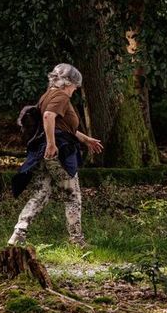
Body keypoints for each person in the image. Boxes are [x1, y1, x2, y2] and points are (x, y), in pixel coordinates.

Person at [8, 63, 104, 248]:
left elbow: (63, 126)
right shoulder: (60, 95)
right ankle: (77, 241)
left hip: (48, 151)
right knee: (72, 195)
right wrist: (52, 144)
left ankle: (18, 232)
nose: (75, 90)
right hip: (57, 152)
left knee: (41, 193)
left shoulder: (48, 95)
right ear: (69, 83)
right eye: (75, 86)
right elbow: (48, 117)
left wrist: (85, 140)